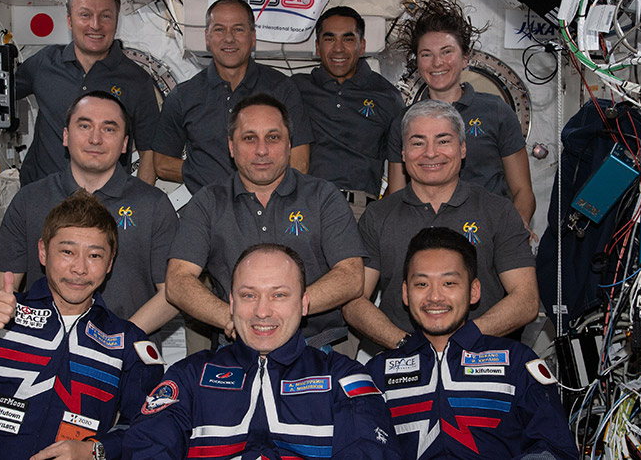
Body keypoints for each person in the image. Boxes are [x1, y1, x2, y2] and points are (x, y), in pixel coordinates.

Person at [0, 190, 166, 460]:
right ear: (43, 252)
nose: (80, 268)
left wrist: (96, 450)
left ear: (110, 262)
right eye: (67, 251)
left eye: (95, 255)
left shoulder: (128, 342)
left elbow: (150, 430)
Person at [126, 243, 401, 459]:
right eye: (249, 295)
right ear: (231, 303)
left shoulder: (343, 377)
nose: (262, 311)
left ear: (304, 304)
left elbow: (370, 450)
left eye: (279, 295)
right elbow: (147, 446)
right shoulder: (190, 376)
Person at [164, 93, 364, 354]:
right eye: (249, 138)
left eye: (273, 137)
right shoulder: (209, 201)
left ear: (289, 144)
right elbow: (178, 280)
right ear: (231, 147)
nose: (261, 150)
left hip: (316, 348)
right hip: (237, 348)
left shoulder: (323, 196)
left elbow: (351, 276)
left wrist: (287, 311)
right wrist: (232, 317)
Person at [366, 227, 577, 459]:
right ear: (406, 293)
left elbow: (555, 448)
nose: (435, 297)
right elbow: (360, 448)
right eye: (422, 284)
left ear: (474, 291)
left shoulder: (517, 361)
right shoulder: (377, 373)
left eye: (449, 283)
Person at [343, 100, 538, 351]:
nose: (431, 152)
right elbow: (354, 302)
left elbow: (526, 299)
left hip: (482, 360)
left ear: (463, 148)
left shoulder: (498, 211)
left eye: (443, 141)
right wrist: (407, 345)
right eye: (417, 142)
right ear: (402, 153)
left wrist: (464, 340)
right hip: (399, 362)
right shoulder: (377, 216)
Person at [0, 91, 178, 342]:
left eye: (109, 129)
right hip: (42, 352)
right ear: (66, 136)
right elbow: (4, 289)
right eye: (85, 126)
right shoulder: (29, 200)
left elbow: (172, 294)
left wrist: (114, 339)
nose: (95, 139)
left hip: (127, 356)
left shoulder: (153, 205)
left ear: (124, 144)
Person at [388, 0, 535, 228]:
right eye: (426, 54)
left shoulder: (496, 111)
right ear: (418, 62)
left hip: (489, 233)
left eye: (447, 52)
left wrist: (515, 232)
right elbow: (396, 196)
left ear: (465, 58)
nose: (437, 63)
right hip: (428, 239)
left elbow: (522, 191)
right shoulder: (404, 121)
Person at [152, 0, 313, 194]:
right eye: (219, 29)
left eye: (238, 29)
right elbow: (161, 163)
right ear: (207, 37)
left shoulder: (282, 89)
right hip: (210, 215)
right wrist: (205, 176)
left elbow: (300, 161)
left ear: (253, 37)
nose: (229, 38)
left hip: (272, 211)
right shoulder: (183, 96)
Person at [16, 0, 160, 186]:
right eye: (85, 15)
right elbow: (0, 93)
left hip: (104, 206)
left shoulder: (137, 81)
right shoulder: (43, 64)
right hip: (43, 198)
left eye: (105, 16)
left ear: (116, 21)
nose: (95, 25)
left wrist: (139, 205)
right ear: (69, 20)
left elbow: (149, 153)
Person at [292, 6, 406, 213]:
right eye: (329, 39)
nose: (338, 48)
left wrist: (379, 213)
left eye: (348, 39)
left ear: (361, 46)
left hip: (360, 211)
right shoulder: (295, 89)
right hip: (305, 208)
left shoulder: (387, 96)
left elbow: (406, 164)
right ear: (317, 47)